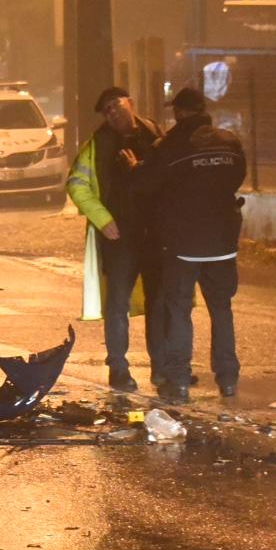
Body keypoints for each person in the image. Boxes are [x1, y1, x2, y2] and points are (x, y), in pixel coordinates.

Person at [126, 86, 247, 404]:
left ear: (179, 113)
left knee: (179, 310)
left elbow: (145, 185)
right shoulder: (230, 142)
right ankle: (228, 379)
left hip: (183, 243)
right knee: (222, 309)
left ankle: (178, 381)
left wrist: (135, 168)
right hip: (223, 240)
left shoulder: (168, 146)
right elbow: (236, 178)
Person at [67, 85, 165, 393]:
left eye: (115, 105)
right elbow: (77, 184)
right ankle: (119, 370)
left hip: (154, 233)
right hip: (119, 236)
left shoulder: (153, 133)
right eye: (106, 110)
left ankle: (163, 369)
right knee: (117, 304)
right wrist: (103, 220)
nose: (112, 113)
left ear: (130, 103)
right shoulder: (97, 144)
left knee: (159, 302)